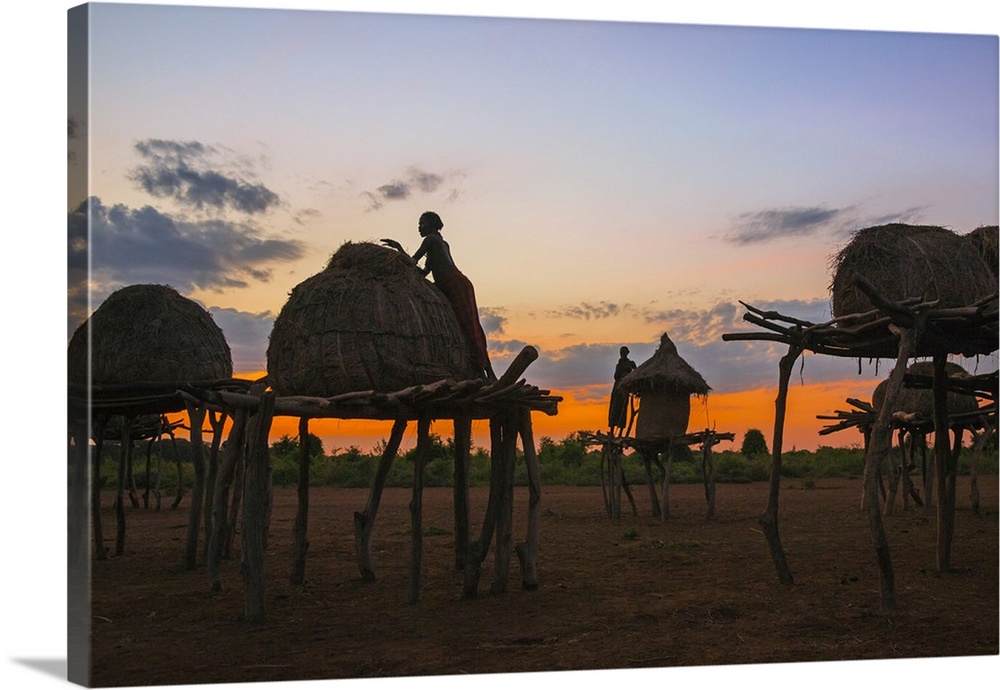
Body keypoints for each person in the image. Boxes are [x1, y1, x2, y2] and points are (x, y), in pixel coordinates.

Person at [382, 212, 496, 380]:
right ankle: (484, 371)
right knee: (470, 326)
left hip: (454, 283)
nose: (419, 227)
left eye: (422, 223)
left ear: (432, 224)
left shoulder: (431, 240)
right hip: (456, 283)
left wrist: (399, 248)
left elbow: (413, 262)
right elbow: (423, 272)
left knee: (469, 327)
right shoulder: (440, 243)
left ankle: (488, 372)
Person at [608, 345, 636, 434]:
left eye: (623, 352)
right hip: (617, 387)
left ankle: (620, 432)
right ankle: (612, 430)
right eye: (621, 353)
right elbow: (615, 377)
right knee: (614, 408)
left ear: (627, 353)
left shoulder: (630, 363)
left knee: (623, 408)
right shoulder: (618, 364)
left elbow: (636, 373)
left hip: (624, 388)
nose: (622, 354)